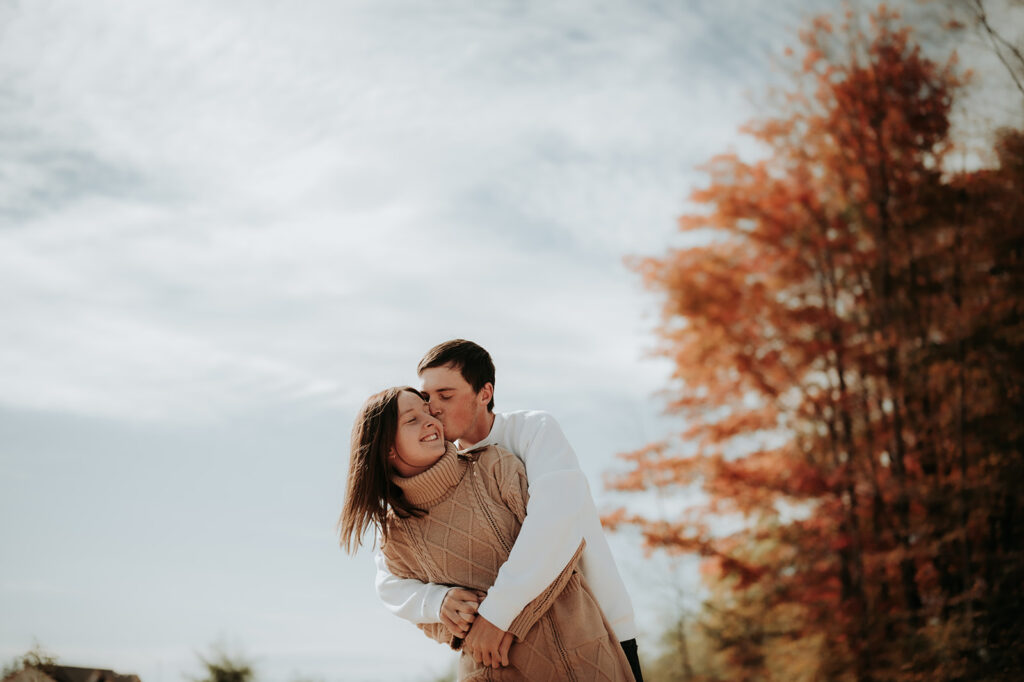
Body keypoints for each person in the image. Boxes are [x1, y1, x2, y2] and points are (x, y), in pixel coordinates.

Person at [374, 340, 644, 681]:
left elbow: (554, 523)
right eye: (428, 399)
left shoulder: (533, 431)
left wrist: (498, 616)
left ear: (484, 393)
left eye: (446, 395)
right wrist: (436, 601)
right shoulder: (441, 472)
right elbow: (388, 580)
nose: (434, 409)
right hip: (504, 662)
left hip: (600, 630)